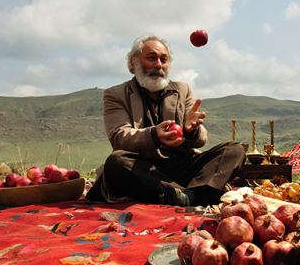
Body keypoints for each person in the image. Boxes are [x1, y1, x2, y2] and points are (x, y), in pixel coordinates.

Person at [85, 33, 246, 206]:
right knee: (116, 162)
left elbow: (201, 139)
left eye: (164, 59)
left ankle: (181, 196)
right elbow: (119, 138)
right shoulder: (116, 95)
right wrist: (154, 135)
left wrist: (191, 131)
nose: (158, 65)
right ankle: (192, 193)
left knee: (234, 149)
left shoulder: (183, 90)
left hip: (181, 165)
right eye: (151, 58)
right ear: (134, 62)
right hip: (143, 169)